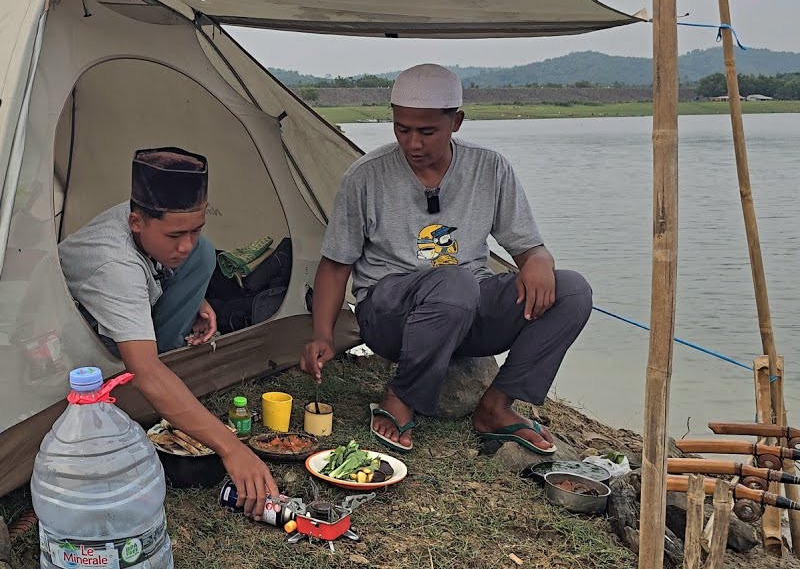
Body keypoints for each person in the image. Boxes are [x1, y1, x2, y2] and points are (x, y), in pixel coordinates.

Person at [300, 64, 592, 456]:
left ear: (456, 121)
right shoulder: (364, 177)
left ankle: (495, 407)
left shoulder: (490, 168)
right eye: (402, 129)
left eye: (426, 132)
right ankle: (401, 397)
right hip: (390, 315)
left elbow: (527, 247)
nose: (413, 144)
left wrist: (540, 257)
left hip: (465, 307)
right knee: (454, 282)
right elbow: (336, 265)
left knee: (572, 291)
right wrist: (323, 335)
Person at [59, 147, 279, 518]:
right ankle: (168, 389)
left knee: (206, 254)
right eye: (176, 234)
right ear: (135, 222)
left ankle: (171, 379)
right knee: (149, 373)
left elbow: (179, 253)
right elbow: (142, 371)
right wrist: (233, 448)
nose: (185, 244)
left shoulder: (157, 227)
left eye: (195, 229)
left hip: (133, 308)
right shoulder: (113, 265)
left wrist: (197, 301)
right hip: (82, 345)